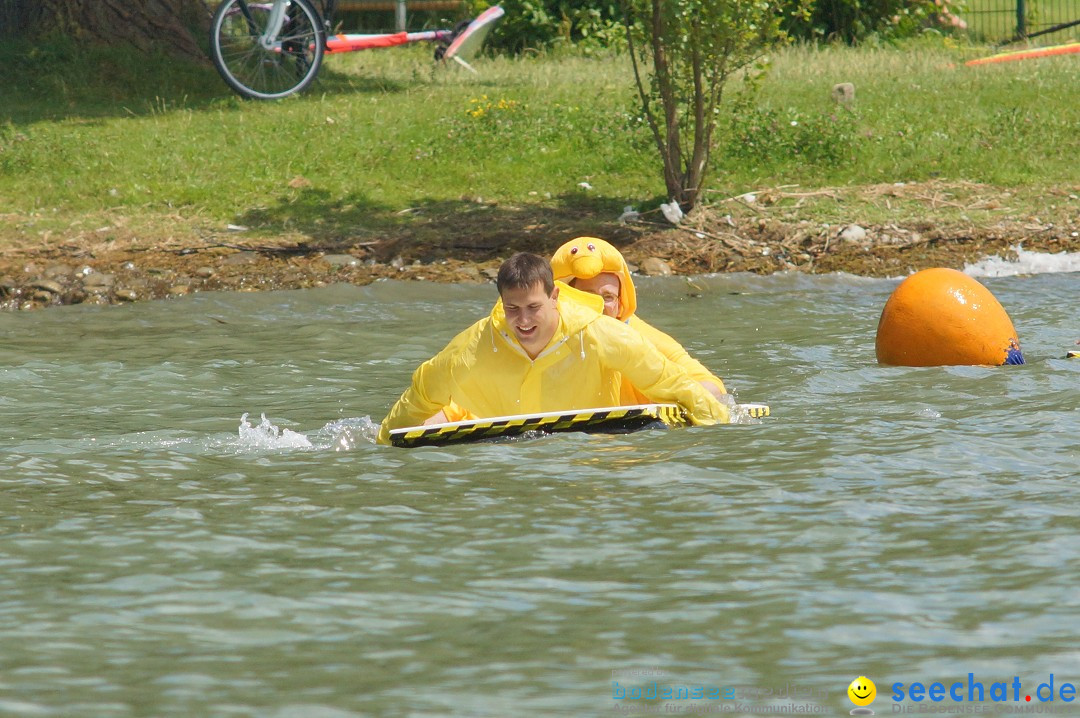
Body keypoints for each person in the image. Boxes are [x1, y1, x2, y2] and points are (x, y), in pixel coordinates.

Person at [377, 252, 728, 444]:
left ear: (555, 297)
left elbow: (669, 380)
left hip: (595, 447)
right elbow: (420, 393)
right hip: (507, 443)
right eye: (512, 309)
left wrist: (720, 424)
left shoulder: (600, 333)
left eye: (534, 308)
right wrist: (382, 445)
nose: (523, 321)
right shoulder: (473, 346)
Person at [550, 237, 728, 403]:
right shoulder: (540, 334)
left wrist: (693, 397)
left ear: (620, 305)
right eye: (587, 296)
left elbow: (712, 388)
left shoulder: (645, 337)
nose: (599, 305)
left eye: (608, 297)